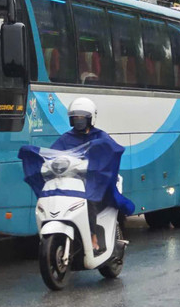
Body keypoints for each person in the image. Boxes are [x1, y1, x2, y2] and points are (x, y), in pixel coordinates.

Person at [51, 97, 126, 255]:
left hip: (96, 185)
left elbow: (113, 150)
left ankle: (93, 237)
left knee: (88, 200)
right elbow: (53, 154)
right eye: (75, 117)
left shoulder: (100, 136)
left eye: (82, 117)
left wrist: (98, 164)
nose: (78, 121)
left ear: (90, 118)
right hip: (71, 183)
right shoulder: (66, 138)